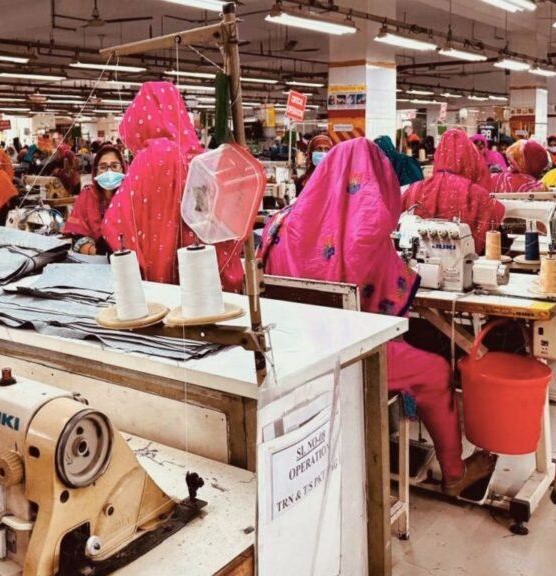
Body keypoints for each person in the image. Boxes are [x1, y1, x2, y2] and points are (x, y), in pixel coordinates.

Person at [259, 139, 496, 498]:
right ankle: (454, 472)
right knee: (434, 371)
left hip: (287, 351)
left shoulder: (279, 222)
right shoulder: (364, 230)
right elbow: (386, 291)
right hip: (345, 356)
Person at [102, 81, 244, 292]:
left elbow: (115, 223)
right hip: (205, 283)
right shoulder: (199, 158)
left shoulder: (150, 158)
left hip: (162, 288)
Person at [402, 129, 505, 254]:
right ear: (470, 156)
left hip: (418, 263)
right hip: (469, 264)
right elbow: (497, 236)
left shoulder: (414, 190)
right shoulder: (479, 195)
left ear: (438, 155)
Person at [65, 144, 126, 255]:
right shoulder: (87, 196)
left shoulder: (130, 198)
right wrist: (96, 251)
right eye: (103, 167)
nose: (109, 171)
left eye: (114, 166)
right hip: (94, 259)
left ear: (123, 168)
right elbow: (76, 234)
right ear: (95, 171)